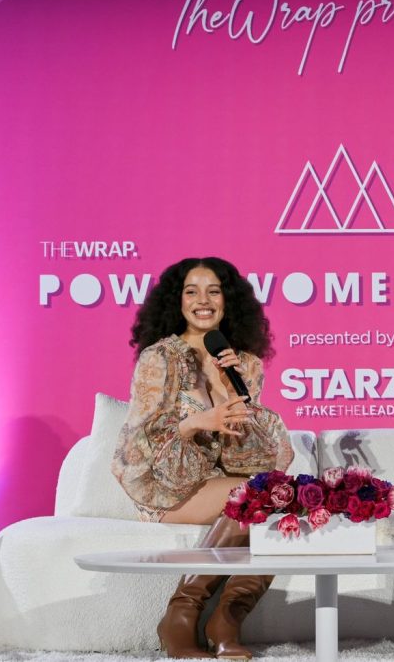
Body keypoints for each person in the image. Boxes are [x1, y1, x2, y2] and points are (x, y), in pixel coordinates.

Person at [111, 256, 293, 660]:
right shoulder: (160, 359)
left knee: (275, 500)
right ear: (177, 302)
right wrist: (196, 422)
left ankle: (226, 618)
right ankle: (181, 615)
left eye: (213, 291)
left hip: (218, 483)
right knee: (257, 493)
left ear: (229, 301)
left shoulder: (244, 363)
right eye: (191, 291)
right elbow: (138, 441)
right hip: (162, 482)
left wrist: (231, 392)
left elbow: (254, 458)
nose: (202, 301)